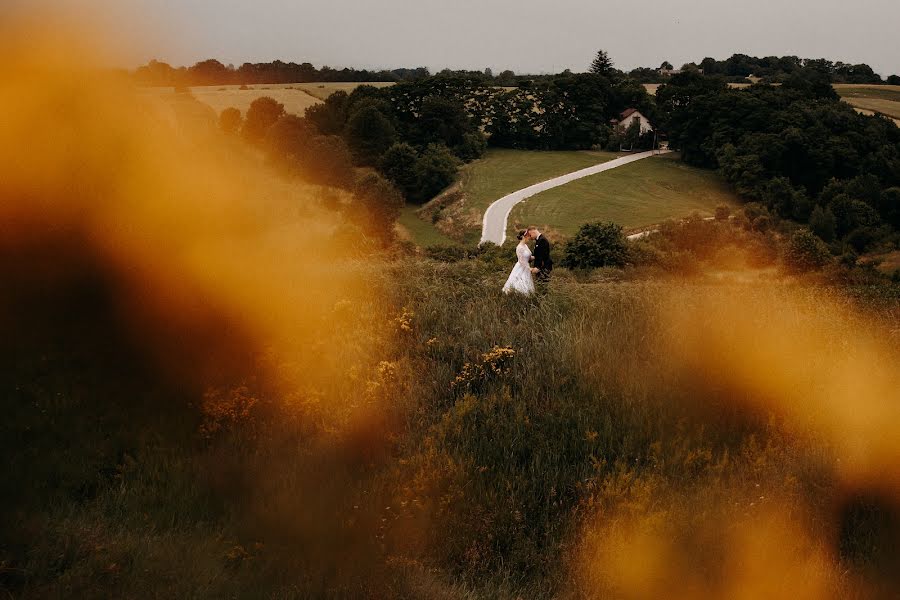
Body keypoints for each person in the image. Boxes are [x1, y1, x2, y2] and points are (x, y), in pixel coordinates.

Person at [502, 230, 536, 296]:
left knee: (526, 284)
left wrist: (537, 256)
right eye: (528, 236)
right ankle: (517, 297)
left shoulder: (525, 246)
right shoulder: (519, 247)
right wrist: (530, 269)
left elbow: (528, 258)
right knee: (519, 284)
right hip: (521, 267)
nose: (529, 238)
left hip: (526, 267)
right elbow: (521, 261)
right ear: (523, 237)